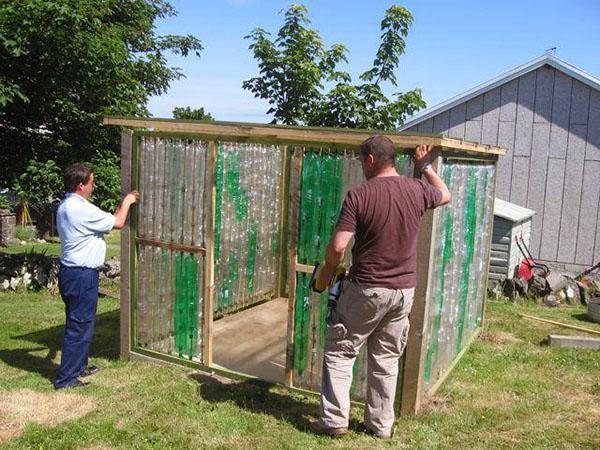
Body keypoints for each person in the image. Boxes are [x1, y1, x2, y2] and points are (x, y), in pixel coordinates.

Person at [309, 135, 451, 438]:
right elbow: (445, 194)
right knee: (386, 359)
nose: (362, 166)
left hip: (368, 289)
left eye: (362, 161)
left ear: (370, 159)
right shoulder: (417, 190)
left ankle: (334, 422)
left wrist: (326, 276)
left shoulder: (360, 195)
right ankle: (380, 426)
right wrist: (425, 166)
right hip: (403, 292)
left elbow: (337, 247)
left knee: (341, 351)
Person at [53, 163, 139, 389]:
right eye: (92, 182)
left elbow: (105, 221)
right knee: (78, 325)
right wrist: (128, 201)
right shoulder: (80, 209)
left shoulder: (68, 206)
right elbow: (118, 222)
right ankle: (67, 379)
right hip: (81, 275)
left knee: (82, 322)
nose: (94, 186)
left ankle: (79, 367)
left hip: (73, 273)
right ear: (81, 185)